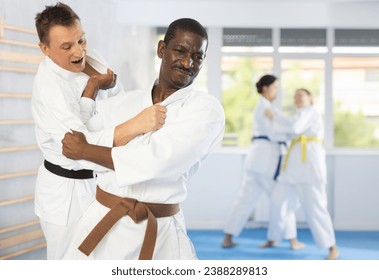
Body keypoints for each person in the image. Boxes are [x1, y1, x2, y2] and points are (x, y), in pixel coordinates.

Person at [60, 18, 225, 260]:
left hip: (159, 232)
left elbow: (156, 161)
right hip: (102, 220)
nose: (188, 62)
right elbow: (77, 147)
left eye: (197, 57)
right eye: (180, 50)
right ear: (161, 49)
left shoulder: (205, 109)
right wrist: (93, 88)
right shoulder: (124, 102)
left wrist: (88, 150)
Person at [32, 2, 166, 260]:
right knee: (65, 265)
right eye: (67, 46)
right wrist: (135, 123)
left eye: (81, 40)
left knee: (99, 260)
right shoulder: (48, 87)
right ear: (44, 50)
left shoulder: (94, 60)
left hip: (99, 181)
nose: (79, 51)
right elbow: (79, 147)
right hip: (66, 192)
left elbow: (118, 103)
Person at [222, 75, 304, 250]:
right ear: (266, 88)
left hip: (256, 160)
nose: (277, 91)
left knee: (245, 200)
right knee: (282, 197)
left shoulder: (265, 107)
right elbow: (274, 134)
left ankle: (228, 237)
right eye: (275, 87)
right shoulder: (265, 108)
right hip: (266, 161)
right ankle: (292, 239)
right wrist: (293, 134)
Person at [262, 88, 340, 260]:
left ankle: (332, 246)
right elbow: (281, 132)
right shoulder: (296, 116)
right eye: (295, 96)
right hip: (292, 167)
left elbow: (296, 128)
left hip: (310, 166)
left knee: (316, 206)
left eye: (301, 95)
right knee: (277, 200)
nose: (297, 98)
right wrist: (274, 122)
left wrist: (275, 116)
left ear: (310, 98)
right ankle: (274, 238)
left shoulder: (310, 112)